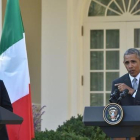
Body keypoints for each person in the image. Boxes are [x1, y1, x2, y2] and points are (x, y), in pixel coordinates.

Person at [111, 48, 140, 140]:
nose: (130, 66)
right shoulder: (117, 83)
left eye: (133, 62)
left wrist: (132, 91)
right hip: (127, 133)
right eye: (127, 63)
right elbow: (114, 108)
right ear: (124, 64)